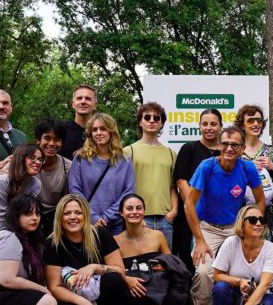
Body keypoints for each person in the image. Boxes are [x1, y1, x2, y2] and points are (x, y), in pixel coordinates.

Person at [182, 125, 266, 305]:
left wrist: (254, 225)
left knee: (241, 272)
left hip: (235, 228)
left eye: (234, 145)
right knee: (203, 272)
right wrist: (199, 240)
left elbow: (260, 200)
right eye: (225, 144)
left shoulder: (247, 168)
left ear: (242, 147)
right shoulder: (207, 167)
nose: (229, 149)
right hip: (208, 227)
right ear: (219, 145)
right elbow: (189, 205)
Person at [44, 194, 146, 305]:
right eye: (67, 213)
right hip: (72, 297)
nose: (72, 217)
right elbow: (54, 286)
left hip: (101, 294)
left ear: (85, 214)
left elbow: (119, 270)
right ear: (60, 217)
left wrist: (94, 267)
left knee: (114, 279)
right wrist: (80, 301)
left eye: (78, 212)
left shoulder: (101, 234)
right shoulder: (53, 243)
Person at [114, 194, 189, 305]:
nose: (134, 212)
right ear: (121, 213)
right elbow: (114, 270)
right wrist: (127, 279)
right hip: (135, 296)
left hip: (159, 291)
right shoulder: (115, 241)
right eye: (129, 209)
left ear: (144, 212)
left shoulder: (158, 236)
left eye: (138, 208)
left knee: (179, 292)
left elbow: (172, 262)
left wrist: (164, 265)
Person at [211, 204, 273, 305]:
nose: (258, 224)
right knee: (220, 288)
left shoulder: (272, 248)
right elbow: (216, 276)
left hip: (262, 294)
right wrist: (238, 281)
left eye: (262, 220)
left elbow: (264, 285)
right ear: (241, 223)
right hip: (235, 292)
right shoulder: (231, 243)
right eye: (252, 220)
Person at [171, 108, 223, 268]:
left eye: (213, 124)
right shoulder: (189, 149)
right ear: (199, 126)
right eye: (205, 124)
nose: (209, 127)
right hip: (191, 216)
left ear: (220, 126)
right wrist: (195, 209)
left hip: (218, 218)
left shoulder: (227, 152)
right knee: (191, 258)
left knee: (218, 260)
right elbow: (181, 181)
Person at [69, 113, 135, 235]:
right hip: (86, 222)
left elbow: (129, 192)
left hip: (116, 223)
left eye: (103, 129)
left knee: (114, 255)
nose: (99, 133)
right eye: (94, 130)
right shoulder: (80, 158)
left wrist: (107, 217)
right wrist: (93, 217)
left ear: (111, 131)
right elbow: (75, 190)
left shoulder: (124, 161)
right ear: (90, 134)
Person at [124, 102, 178, 241]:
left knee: (165, 262)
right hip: (138, 217)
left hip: (165, 218)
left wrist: (174, 210)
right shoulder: (128, 151)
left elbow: (172, 186)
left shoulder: (171, 153)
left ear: (161, 123)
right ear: (140, 123)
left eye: (156, 118)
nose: (152, 120)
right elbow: (123, 188)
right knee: (139, 262)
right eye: (147, 117)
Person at [33, 119, 72, 217]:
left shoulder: (68, 167)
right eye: (47, 138)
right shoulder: (26, 161)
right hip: (30, 213)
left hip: (57, 215)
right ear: (38, 140)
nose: (51, 143)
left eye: (57, 140)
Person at [59, 84, 97, 161]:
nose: (83, 101)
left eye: (88, 99)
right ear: (73, 104)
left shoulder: (103, 132)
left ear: (95, 105)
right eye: (79, 98)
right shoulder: (61, 130)